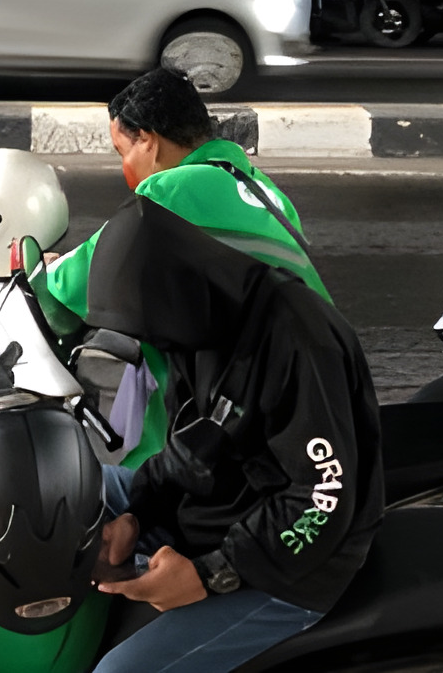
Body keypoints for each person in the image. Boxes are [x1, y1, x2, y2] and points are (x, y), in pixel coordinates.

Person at [82, 191, 383, 673]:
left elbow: (322, 498)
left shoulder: (298, 341)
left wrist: (210, 574)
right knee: (78, 488)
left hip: (291, 568)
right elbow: (194, 441)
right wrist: (139, 513)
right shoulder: (196, 322)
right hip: (217, 510)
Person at [30, 69, 327, 468]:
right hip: (308, 399)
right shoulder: (269, 193)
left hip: (230, 429)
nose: (125, 167)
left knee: (110, 496)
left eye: (123, 152)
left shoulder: (169, 191)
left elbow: (73, 289)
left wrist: (45, 272)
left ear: (149, 142)